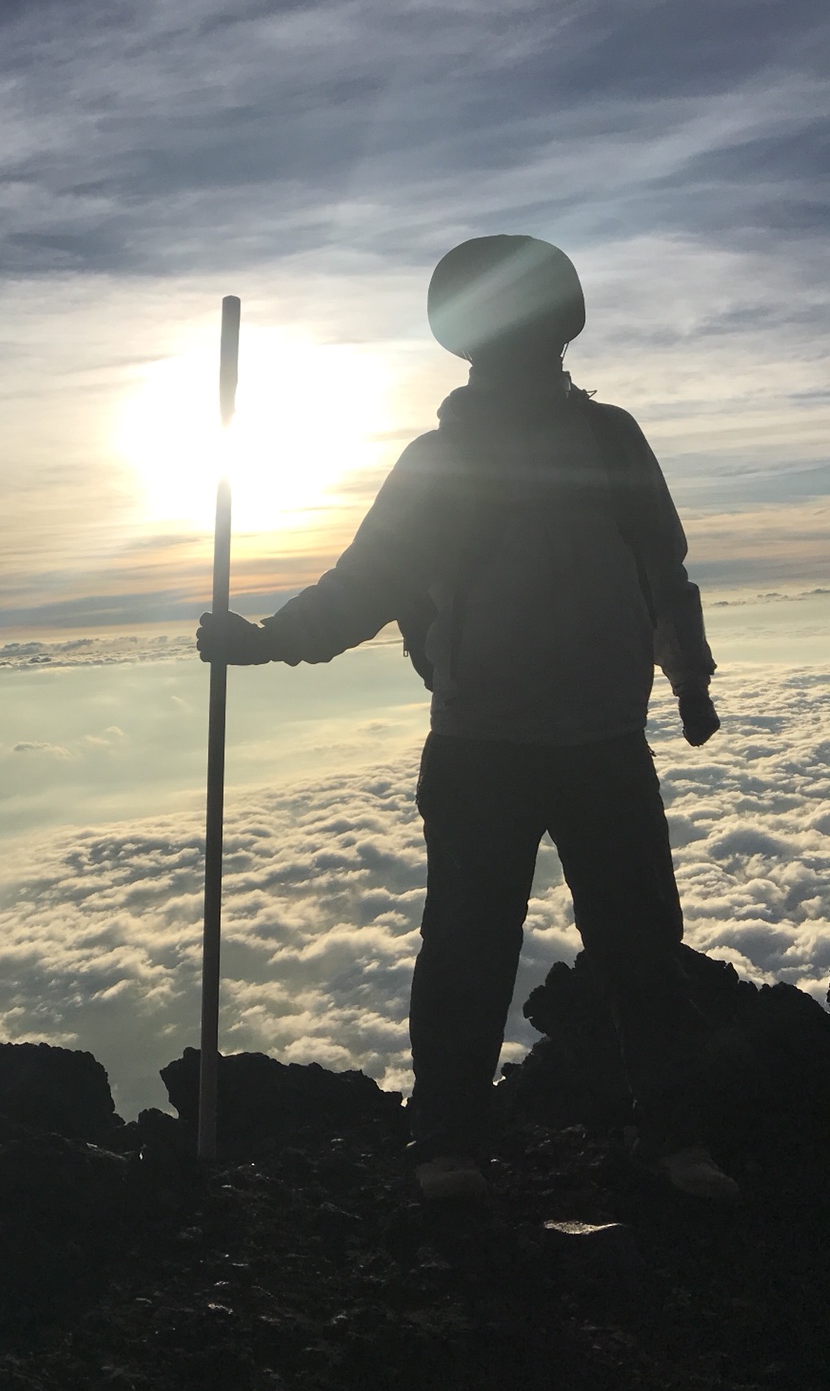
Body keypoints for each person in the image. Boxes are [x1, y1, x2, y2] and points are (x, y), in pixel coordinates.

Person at [198, 235, 738, 1202]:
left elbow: (663, 574)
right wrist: (270, 639)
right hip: (499, 741)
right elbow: (369, 586)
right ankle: (466, 1143)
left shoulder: (606, 439)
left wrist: (689, 678)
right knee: (485, 948)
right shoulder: (464, 457)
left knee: (621, 949)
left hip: (581, 740)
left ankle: (648, 1139)